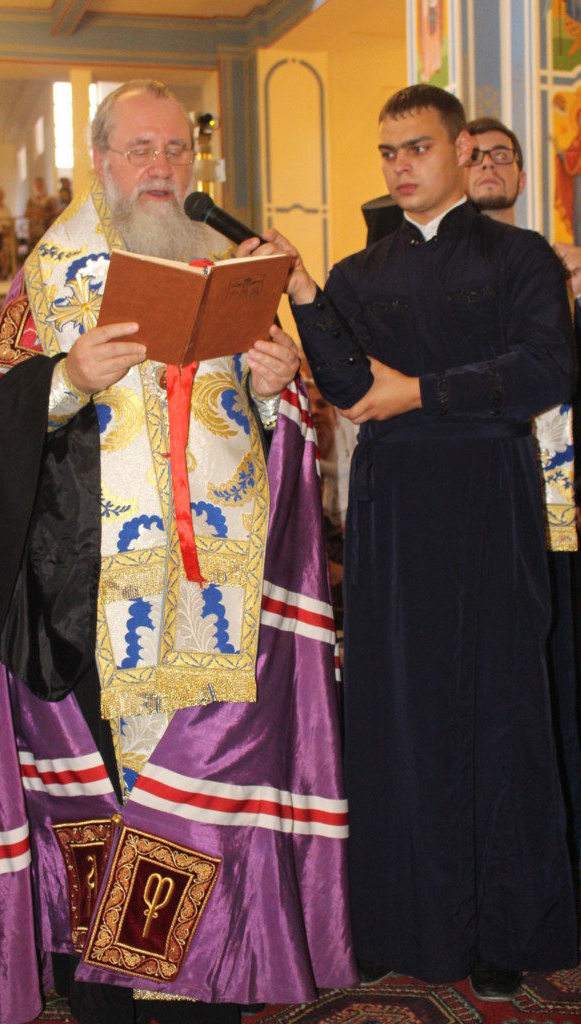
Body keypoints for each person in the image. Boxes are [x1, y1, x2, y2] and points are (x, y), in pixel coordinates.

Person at [0, 79, 355, 1024]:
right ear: (100, 161)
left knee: (206, 811)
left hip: (217, 606)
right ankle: (112, 1005)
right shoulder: (47, 279)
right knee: (107, 818)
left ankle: (202, 1002)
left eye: (175, 149)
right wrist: (65, 378)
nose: (161, 167)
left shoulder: (229, 274)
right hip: (87, 604)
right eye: (139, 149)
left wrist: (275, 389)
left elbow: (273, 433)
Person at [252, 83, 578, 998]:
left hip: (489, 496)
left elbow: (546, 370)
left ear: (462, 149)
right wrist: (305, 292)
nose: (400, 167)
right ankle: (398, 923)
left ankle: (503, 931)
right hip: (392, 510)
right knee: (395, 711)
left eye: (418, 149)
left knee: (500, 707)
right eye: (388, 152)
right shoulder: (358, 273)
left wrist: (420, 393)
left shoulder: (518, 257)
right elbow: (344, 382)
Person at [465, 116, 581, 850]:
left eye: (500, 156)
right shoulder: (437, 273)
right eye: (474, 155)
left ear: (522, 176)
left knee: (561, 679)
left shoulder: (556, 267)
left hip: (560, 512)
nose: (487, 166)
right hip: (480, 508)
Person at [25, 175, 56, 249]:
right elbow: (26, 213)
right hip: (34, 229)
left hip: (44, 228)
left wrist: (43, 214)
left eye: (40, 184)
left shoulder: (49, 199)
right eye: (37, 185)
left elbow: (53, 213)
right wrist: (33, 214)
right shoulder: (31, 200)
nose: (38, 186)